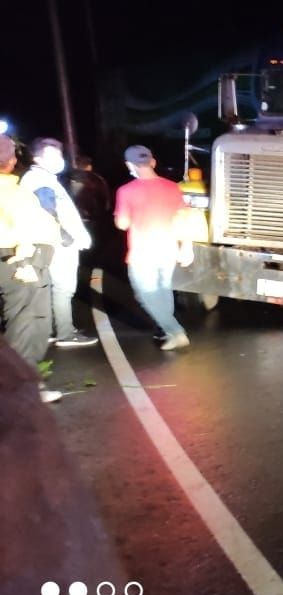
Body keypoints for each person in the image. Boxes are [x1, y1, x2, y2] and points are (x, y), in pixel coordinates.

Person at [0, 135, 63, 401]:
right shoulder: (11, 190)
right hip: (18, 257)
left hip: (20, 256)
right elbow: (23, 226)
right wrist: (26, 260)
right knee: (26, 322)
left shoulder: (15, 187)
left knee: (28, 319)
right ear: (12, 160)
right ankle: (22, 390)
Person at [114, 145, 193, 351]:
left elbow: (122, 224)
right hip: (168, 249)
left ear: (129, 165)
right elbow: (183, 219)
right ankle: (168, 331)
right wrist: (187, 246)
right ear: (153, 162)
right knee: (163, 291)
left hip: (143, 252)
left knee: (145, 294)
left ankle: (175, 331)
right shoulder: (172, 187)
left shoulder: (125, 191)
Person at [20, 138, 97, 348]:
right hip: (58, 244)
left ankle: (57, 329)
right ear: (37, 158)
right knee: (64, 288)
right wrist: (66, 235)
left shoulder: (44, 178)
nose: (59, 160)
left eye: (59, 155)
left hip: (55, 242)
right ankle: (65, 333)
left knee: (56, 288)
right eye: (52, 155)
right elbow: (47, 209)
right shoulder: (39, 180)